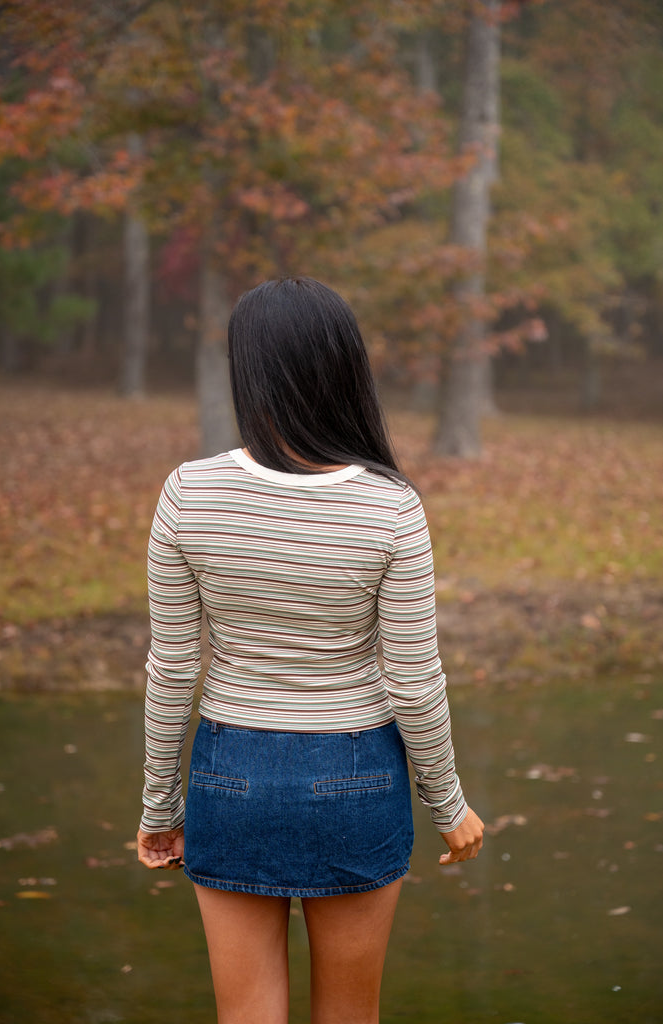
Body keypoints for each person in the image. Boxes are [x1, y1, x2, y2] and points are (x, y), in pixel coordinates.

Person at [137, 276, 484, 1024]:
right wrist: (448, 804)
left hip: (229, 776)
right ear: (344, 369)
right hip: (354, 776)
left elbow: (171, 670)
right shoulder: (390, 506)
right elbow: (414, 681)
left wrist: (160, 806)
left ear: (246, 372)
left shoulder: (185, 494)